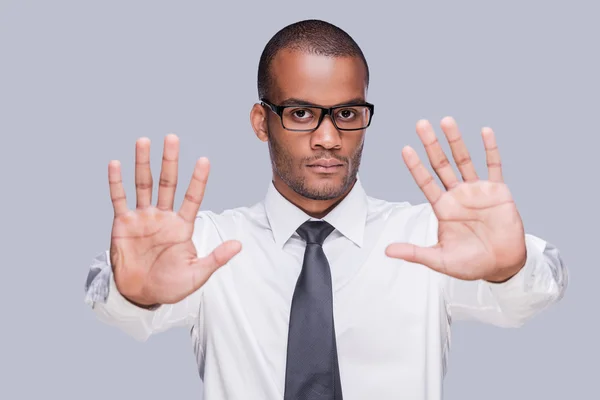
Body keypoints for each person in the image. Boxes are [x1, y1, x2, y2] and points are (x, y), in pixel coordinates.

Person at [84, 19, 568, 400]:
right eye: (300, 113)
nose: (328, 138)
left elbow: (533, 296)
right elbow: (116, 310)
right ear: (261, 121)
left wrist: (510, 268)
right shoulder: (205, 249)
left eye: (347, 114)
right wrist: (135, 295)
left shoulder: (431, 239)